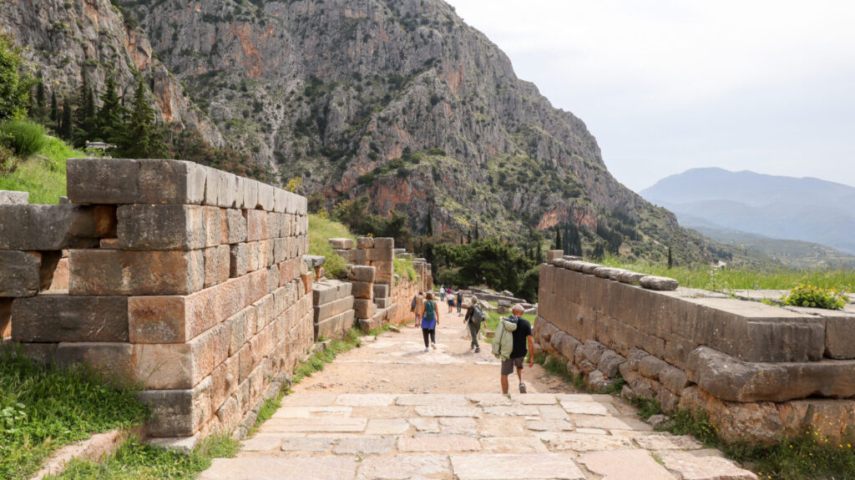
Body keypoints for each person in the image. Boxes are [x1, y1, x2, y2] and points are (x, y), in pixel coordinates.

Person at [501, 304, 533, 394]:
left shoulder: (505, 322)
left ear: (512, 312)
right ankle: (522, 382)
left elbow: (499, 337)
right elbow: (530, 341)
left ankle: (505, 394)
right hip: (520, 351)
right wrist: (532, 357)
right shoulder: (526, 323)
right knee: (520, 367)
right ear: (522, 313)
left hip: (507, 351)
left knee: (504, 374)